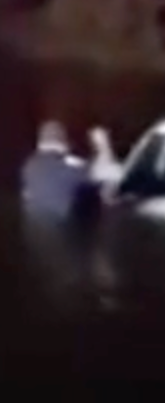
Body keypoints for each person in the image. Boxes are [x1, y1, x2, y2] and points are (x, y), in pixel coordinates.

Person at [20, 121, 120, 311]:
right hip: (67, 256)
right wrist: (103, 143)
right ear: (63, 143)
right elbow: (110, 174)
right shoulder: (67, 166)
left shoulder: (29, 166)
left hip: (36, 254)